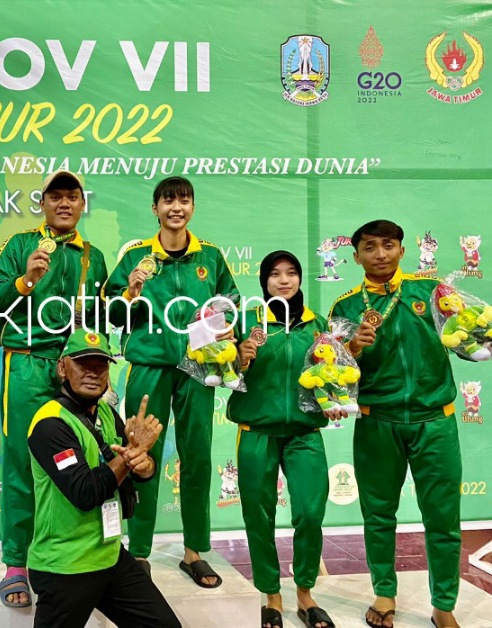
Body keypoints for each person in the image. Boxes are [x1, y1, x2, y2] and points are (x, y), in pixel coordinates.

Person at [103, 176, 239, 586]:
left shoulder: (210, 256)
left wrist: (223, 327)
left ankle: (194, 551)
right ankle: (139, 550)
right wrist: (129, 293)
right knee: (139, 454)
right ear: (155, 208)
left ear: (192, 207)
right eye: (168, 201)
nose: (176, 208)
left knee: (197, 455)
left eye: (183, 201)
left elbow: (230, 303)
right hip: (149, 365)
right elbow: (110, 313)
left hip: (198, 367)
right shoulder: (136, 256)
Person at [329, 220, 464, 628]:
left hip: (435, 422)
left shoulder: (431, 292)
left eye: (388, 245)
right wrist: (352, 348)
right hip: (377, 422)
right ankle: (384, 593)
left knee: (443, 519)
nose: (380, 254)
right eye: (370, 247)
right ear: (356, 257)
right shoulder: (345, 308)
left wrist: (475, 331)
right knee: (379, 516)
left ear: (403, 251)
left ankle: (443, 605)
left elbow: (466, 339)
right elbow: (332, 376)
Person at [0, 170, 109, 606]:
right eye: (55, 196)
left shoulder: (93, 257)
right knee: (22, 465)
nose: (64, 203)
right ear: (42, 203)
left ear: (82, 204)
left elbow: (100, 320)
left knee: (80, 463)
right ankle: (16, 563)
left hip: (74, 369)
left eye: (72, 196)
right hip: (25, 365)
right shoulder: (20, 245)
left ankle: (69, 557)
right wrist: (25, 281)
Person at [26, 329, 180, 628]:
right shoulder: (50, 423)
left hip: (110, 556)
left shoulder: (107, 413)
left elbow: (135, 471)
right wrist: (129, 458)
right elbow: (85, 493)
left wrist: (144, 464)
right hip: (65, 565)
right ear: (62, 368)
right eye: (83, 364)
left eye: (100, 365)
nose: (93, 373)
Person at [230, 251, 335, 628]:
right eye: (275, 274)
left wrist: (337, 395)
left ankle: (305, 594)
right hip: (256, 431)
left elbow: (333, 373)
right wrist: (239, 358)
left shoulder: (317, 324)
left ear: (300, 278)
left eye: (291, 273)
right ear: (264, 281)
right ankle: (271, 594)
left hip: (305, 433)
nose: (284, 280)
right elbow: (220, 371)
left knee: (310, 512)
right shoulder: (247, 321)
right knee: (259, 516)